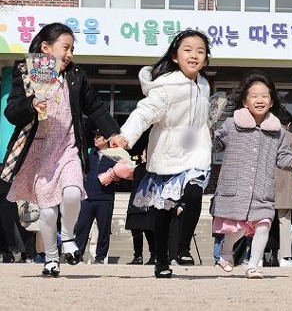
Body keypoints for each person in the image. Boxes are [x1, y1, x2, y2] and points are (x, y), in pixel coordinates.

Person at [1, 22, 121, 277]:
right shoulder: (25, 72)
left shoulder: (75, 75)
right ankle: (51, 258)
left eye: (72, 49)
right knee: (46, 210)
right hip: (37, 151)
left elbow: (96, 107)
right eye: (65, 48)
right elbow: (12, 113)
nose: (70, 54)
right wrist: (32, 103)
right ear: (45, 48)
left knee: (72, 194)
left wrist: (114, 133)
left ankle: (67, 236)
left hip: (67, 147)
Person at [115, 29, 212, 278]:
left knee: (193, 193)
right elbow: (144, 112)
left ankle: (182, 248)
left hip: (196, 150)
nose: (194, 55)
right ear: (175, 56)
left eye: (200, 51)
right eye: (187, 50)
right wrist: (127, 135)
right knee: (164, 210)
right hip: (168, 153)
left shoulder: (204, 84)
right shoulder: (165, 87)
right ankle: (161, 260)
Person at [211, 71, 292, 279]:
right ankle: (225, 251)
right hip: (237, 189)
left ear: (271, 100)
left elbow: (283, 157)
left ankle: (253, 265)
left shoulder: (277, 131)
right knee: (238, 229)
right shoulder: (232, 124)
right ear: (244, 101)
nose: (260, 100)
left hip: (262, 190)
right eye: (254, 96)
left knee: (263, 224)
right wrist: (208, 133)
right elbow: (217, 144)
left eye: (265, 96)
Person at [74, 126, 121, 264]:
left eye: (98, 137)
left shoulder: (116, 155)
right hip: (87, 197)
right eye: (94, 137)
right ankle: (78, 255)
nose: (95, 139)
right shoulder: (89, 153)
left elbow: (121, 176)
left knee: (104, 229)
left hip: (105, 198)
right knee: (82, 227)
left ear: (106, 139)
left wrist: (113, 176)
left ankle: (100, 258)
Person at [272, 109, 292, 268]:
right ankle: (285, 257)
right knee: (285, 221)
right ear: (288, 124)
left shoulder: (268, 135)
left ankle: (258, 255)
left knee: (263, 220)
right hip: (286, 183)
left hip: (267, 182)